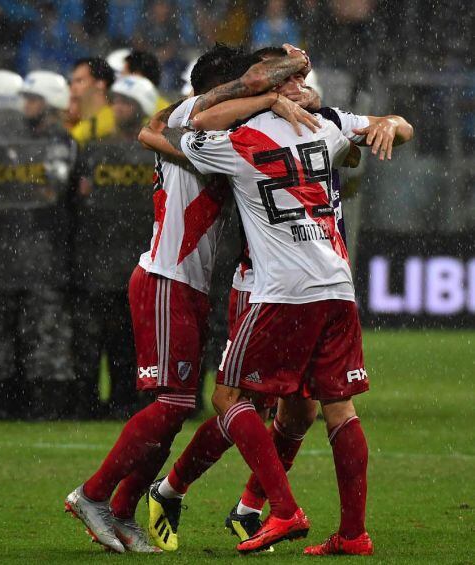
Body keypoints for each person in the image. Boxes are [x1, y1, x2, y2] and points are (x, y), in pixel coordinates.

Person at [64, 44, 313, 554]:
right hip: (164, 277)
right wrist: (284, 78)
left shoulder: (211, 128)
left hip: (191, 285)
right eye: (251, 84)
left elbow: (153, 132)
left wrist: (288, 103)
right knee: (173, 402)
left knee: (176, 410)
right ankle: (92, 494)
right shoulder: (193, 118)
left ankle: (125, 511)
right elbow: (157, 129)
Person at [144, 49, 380, 554]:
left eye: (298, 78)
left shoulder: (323, 120)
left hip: (305, 282)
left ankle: (252, 509)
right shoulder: (245, 132)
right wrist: (273, 100)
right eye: (285, 78)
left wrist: (340, 116)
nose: (296, 86)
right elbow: (160, 133)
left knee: (301, 412)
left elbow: (363, 148)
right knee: (243, 403)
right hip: (262, 282)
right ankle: (176, 488)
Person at [0, 70, 77, 420]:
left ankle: (45, 405)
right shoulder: (3, 143)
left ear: (50, 104)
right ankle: (2, 402)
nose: (25, 105)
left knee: (43, 337)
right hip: (3, 255)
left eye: (33, 99)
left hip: (41, 255)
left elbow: (53, 192)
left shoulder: (62, 141)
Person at [70, 75, 158, 420]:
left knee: (129, 341)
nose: (119, 107)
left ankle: (125, 400)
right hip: (102, 258)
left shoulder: (153, 153)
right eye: (117, 101)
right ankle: (92, 401)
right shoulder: (95, 150)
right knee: (95, 340)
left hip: (133, 258)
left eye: (126, 102)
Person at [68, 57, 116, 146]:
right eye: (72, 82)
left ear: (100, 84)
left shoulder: (115, 120)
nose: (72, 88)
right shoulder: (81, 129)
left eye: (79, 81)